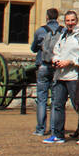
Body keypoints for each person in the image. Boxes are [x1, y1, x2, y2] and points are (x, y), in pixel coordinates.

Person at [45, 10, 79, 143]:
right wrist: (56, 59)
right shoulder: (63, 34)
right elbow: (56, 50)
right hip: (60, 76)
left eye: (72, 20)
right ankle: (58, 135)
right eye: (67, 21)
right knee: (58, 105)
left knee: (78, 106)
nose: (70, 23)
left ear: (76, 21)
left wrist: (72, 62)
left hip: (74, 76)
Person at [30, 8, 61, 136]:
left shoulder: (40, 30)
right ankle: (54, 129)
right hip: (57, 67)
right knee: (55, 100)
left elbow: (33, 48)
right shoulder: (63, 31)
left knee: (42, 99)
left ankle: (41, 129)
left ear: (47, 17)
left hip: (43, 65)